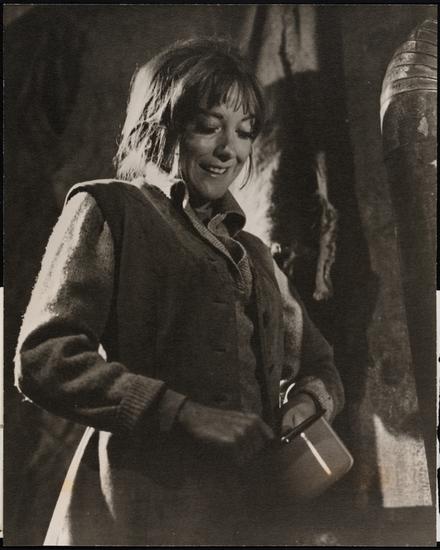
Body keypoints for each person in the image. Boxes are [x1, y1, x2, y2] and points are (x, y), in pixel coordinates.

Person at [15, 37, 345, 546]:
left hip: (249, 520)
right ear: (159, 125)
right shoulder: (110, 210)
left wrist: (305, 403)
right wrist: (182, 413)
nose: (229, 150)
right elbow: (44, 359)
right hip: (138, 519)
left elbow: (319, 365)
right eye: (208, 126)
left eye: (244, 132)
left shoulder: (255, 254)